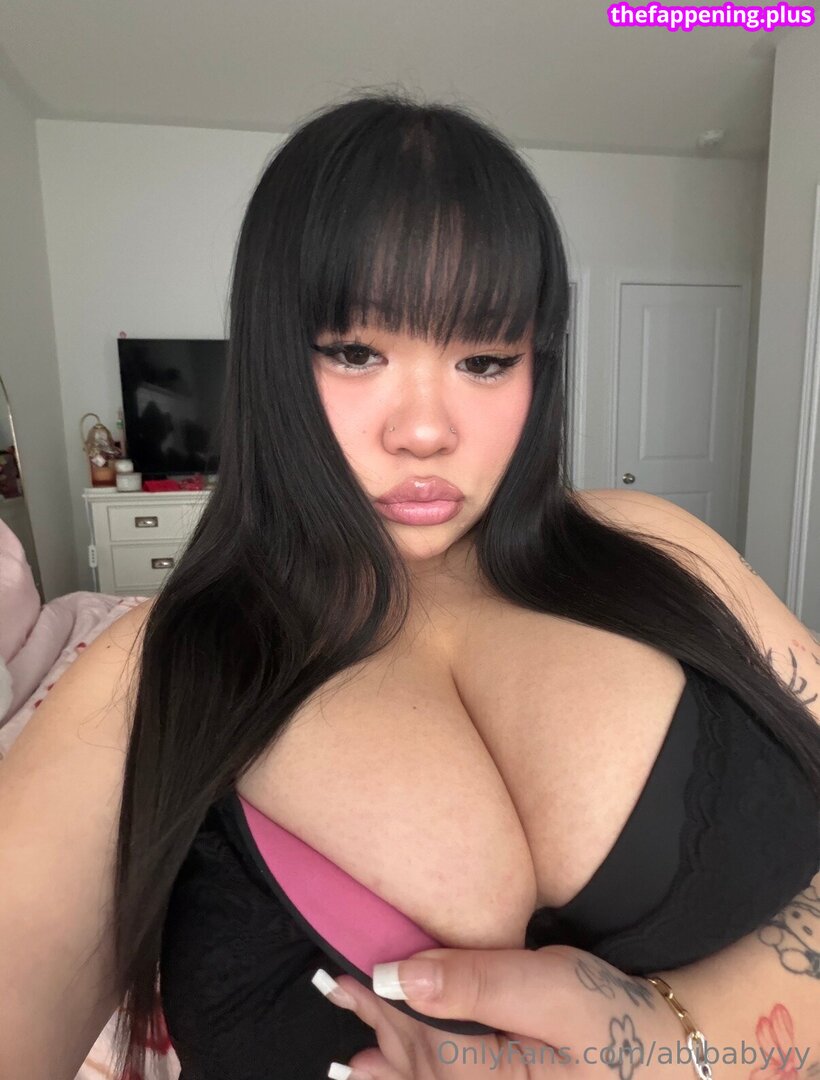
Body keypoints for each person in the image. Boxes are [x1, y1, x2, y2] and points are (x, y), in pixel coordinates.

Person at [1, 88, 819, 1080]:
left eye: (486, 359)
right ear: (270, 357)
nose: (425, 431)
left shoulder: (659, 546)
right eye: (356, 353)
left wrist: (668, 1041)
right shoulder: (145, 679)